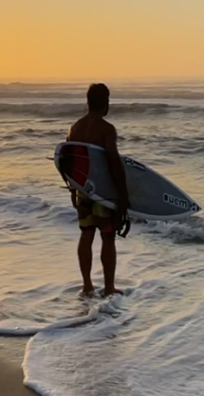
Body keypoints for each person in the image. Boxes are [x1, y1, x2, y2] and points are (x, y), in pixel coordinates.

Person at [66, 83, 130, 297]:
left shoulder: (75, 128)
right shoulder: (106, 129)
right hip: (102, 192)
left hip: (83, 189)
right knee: (108, 236)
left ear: (88, 102)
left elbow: (67, 162)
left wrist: (72, 191)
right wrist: (123, 195)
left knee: (86, 234)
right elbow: (114, 162)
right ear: (106, 103)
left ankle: (87, 285)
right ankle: (109, 288)